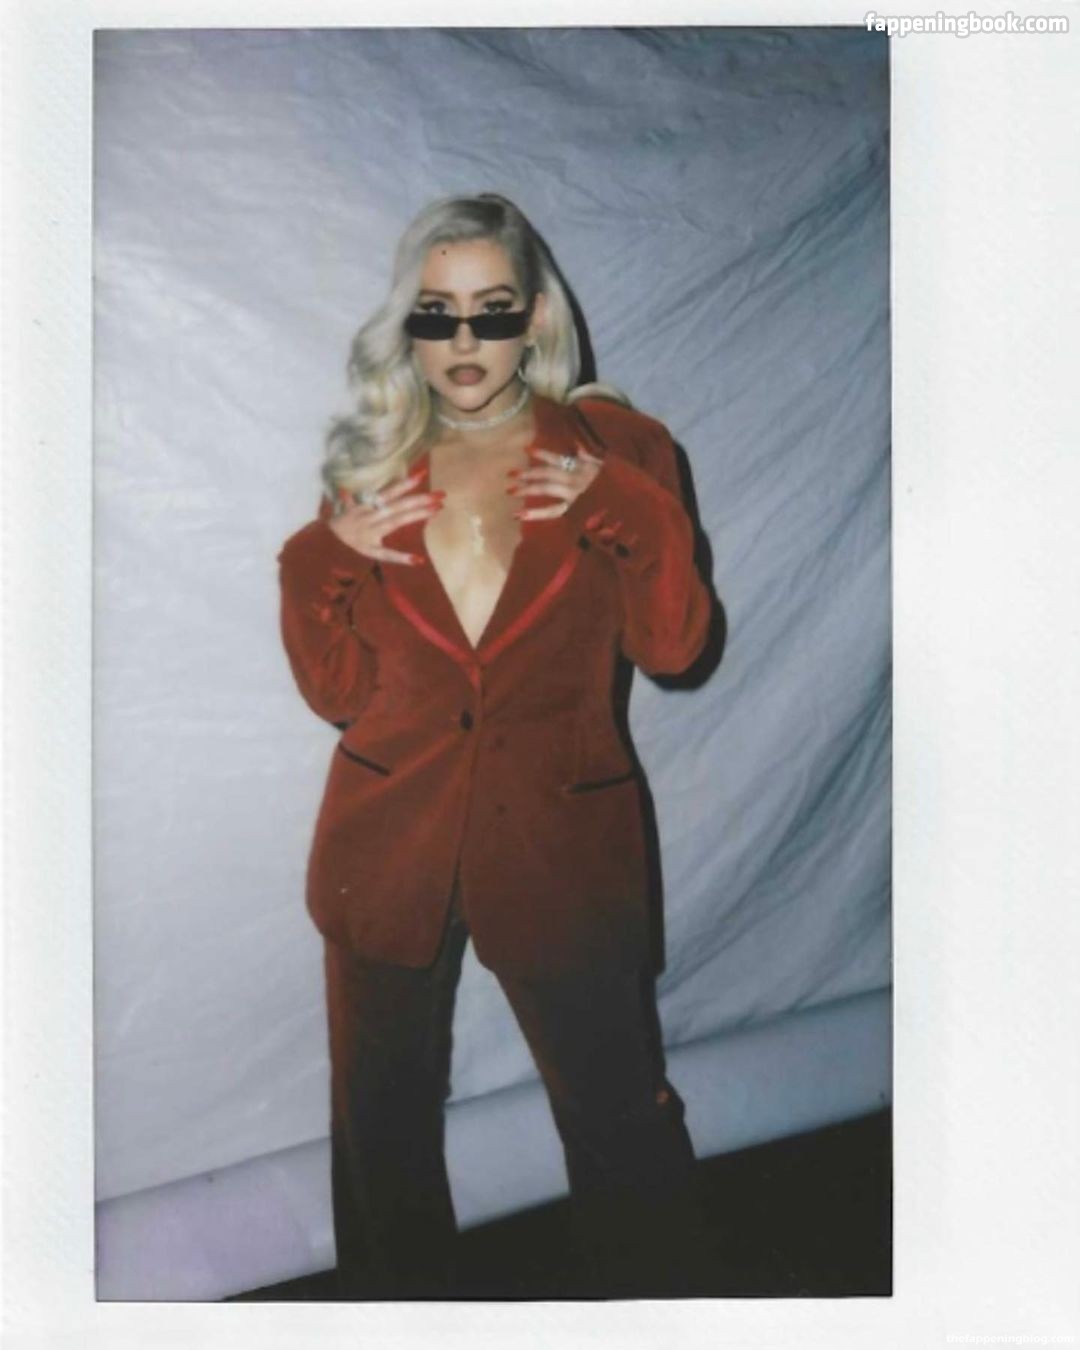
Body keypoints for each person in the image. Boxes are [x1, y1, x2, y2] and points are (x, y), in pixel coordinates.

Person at [277, 192, 717, 1298]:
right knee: (381, 1138)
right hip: (386, 845)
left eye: (493, 309)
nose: (463, 340)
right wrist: (318, 557)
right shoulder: (370, 467)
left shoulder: (623, 450)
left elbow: (674, 649)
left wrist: (631, 510)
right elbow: (337, 693)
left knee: (619, 1120)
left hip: (565, 842)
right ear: (408, 325)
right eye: (436, 313)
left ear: (537, 318)